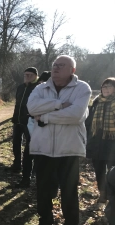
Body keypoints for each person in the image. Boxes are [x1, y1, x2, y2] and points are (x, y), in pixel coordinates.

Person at [27, 55, 91, 224]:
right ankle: (45, 220)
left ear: (72, 70)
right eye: (54, 65)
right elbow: (32, 108)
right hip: (42, 148)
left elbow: (76, 115)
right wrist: (59, 104)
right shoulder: (41, 88)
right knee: (43, 190)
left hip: (68, 150)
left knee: (69, 192)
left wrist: (45, 118)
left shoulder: (82, 88)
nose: (55, 68)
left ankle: (71, 222)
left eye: (61, 66)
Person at [7, 67, 39, 189]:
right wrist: (15, 117)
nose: (27, 77)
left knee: (29, 148)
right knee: (16, 142)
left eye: (30, 75)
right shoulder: (20, 87)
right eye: (26, 75)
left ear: (36, 76)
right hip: (18, 120)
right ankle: (16, 165)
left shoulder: (37, 88)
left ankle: (30, 174)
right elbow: (17, 104)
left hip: (29, 122)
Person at [86, 77, 115, 204]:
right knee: (99, 168)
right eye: (104, 86)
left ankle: (112, 195)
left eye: (109, 86)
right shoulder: (97, 101)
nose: (106, 89)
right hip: (97, 141)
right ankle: (102, 193)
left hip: (112, 142)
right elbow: (89, 121)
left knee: (112, 170)